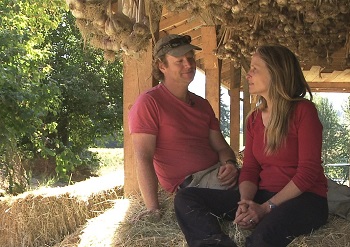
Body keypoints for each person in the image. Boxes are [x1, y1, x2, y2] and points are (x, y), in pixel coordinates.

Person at [128, 34, 240, 246]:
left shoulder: (202, 104)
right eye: (179, 61)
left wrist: (230, 164)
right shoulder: (149, 103)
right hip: (194, 184)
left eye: (190, 58)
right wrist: (153, 209)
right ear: (162, 66)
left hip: (219, 174)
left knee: (269, 181)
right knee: (267, 189)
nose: (188, 64)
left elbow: (222, 147)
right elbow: (143, 156)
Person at [232, 44, 329, 246]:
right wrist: (245, 202)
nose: (248, 75)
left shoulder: (303, 111)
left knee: (261, 239)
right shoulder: (254, 119)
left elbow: (308, 172)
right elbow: (250, 168)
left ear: (275, 73)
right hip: (263, 194)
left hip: (306, 200)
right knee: (189, 199)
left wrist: (266, 208)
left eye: (254, 69)